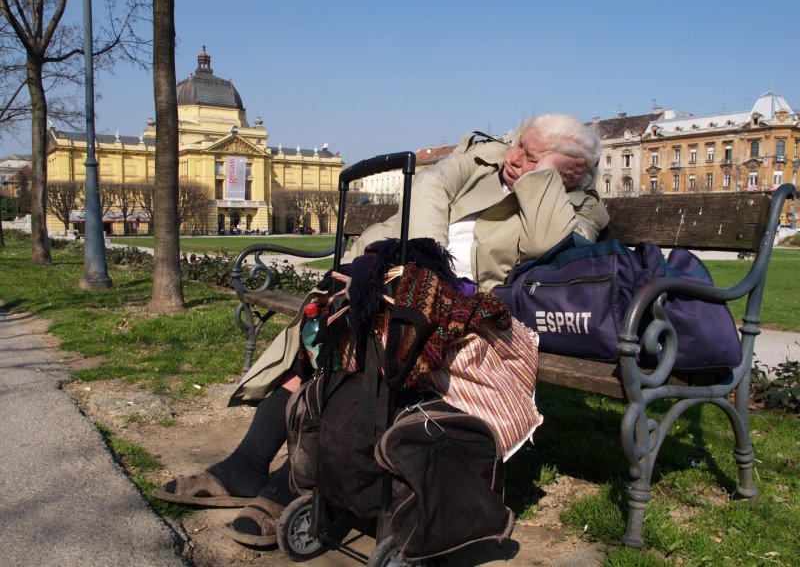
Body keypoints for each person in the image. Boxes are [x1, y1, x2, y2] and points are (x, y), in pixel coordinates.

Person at [154, 113, 608, 546]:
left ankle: (288, 483)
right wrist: (427, 262)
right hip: (402, 274)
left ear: (572, 172)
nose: (515, 159)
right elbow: (431, 184)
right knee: (324, 330)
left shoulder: (580, 210)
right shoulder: (483, 159)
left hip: (466, 312)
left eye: (533, 158)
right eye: (519, 145)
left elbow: (548, 244)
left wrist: (541, 176)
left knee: (362, 349)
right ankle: (249, 464)